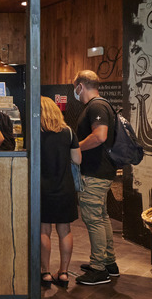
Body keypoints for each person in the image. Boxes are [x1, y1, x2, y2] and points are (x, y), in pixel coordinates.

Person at [73, 70, 118, 285]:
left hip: (95, 172)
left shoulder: (96, 106)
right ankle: (109, 262)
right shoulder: (100, 105)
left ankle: (98, 268)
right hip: (101, 171)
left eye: (75, 87)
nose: (75, 91)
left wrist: (75, 148)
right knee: (102, 217)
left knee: (93, 220)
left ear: (80, 85)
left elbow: (99, 136)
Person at [39, 96, 82, 288]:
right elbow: (78, 160)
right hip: (65, 187)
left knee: (44, 230)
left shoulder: (36, 132)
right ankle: (64, 273)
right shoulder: (69, 132)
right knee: (65, 230)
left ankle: (45, 272)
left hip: (42, 188)